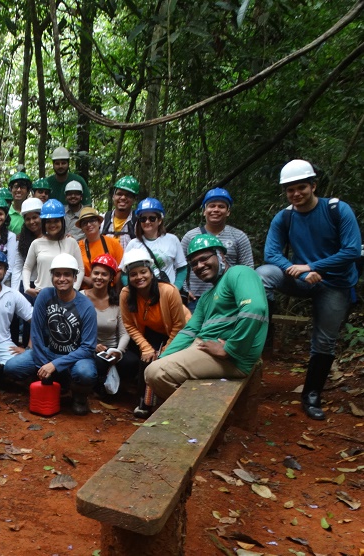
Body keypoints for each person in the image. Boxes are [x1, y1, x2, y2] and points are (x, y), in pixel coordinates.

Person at [257, 159, 361, 420]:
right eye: (290, 190)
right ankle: (264, 338)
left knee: (324, 340)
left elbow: (351, 250)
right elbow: (271, 253)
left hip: (334, 283)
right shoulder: (285, 217)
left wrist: (313, 266)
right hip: (302, 278)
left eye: (301, 187)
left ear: (313, 186)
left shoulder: (337, 209)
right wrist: (297, 269)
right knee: (262, 275)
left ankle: (312, 394)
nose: (295, 194)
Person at [146, 235, 268, 400]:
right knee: (157, 367)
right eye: (194, 264)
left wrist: (231, 349)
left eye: (204, 259)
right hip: (205, 349)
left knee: (156, 373)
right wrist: (164, 356)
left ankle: (201, 416)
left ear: (220, 255)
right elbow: (190, 331)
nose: (199, 266)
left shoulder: (239, 273)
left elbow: (254, 309)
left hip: (232, 358)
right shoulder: (206, 296)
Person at [4, 254, 98, 415]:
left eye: (67, 274)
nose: (62, 279)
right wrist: (43, 365)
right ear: (52, 276)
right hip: (49, 351)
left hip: (75, 357)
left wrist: (55, 365)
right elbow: (36, 331)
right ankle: (43, 383)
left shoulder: (86, 307)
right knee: (11, 367)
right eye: (57, 274)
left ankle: (79, 397)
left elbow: (88, 347)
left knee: (85, 372)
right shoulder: (45, 296)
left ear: (75, 278)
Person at [119, 249, 188, 418]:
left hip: (180, 332)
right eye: (133, 274)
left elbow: (179, 325)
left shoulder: (168, 291)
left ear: (151, 272)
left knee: (164, 361)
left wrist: (167, 350)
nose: (139, 277)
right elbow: (129, 324)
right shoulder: (126, 294)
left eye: (143, 272)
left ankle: (173, 402)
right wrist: (145, 347)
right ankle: (145, 400)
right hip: (153, 331)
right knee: (147, 358)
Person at [181, 188, 254, 310]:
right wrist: (184, 290)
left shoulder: (238, 236)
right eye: (211, 206)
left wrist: (242, 292)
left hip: (227, 296)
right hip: (196, 298)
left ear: (228, 211)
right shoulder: (191, 236)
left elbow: (247, 268)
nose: (216, 210)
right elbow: (180, 265)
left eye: (221, 206)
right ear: (204, 211)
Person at [84, 254, 139, 395]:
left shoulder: (118, 300)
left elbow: (124, 332)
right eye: (96, 273)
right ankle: (98, 387)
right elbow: (76, 328)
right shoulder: (81, 297)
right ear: (91, 274)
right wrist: (92, 345)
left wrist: (118, 351)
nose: (99, 277)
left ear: (111, 278)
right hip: (91, 347)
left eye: (104, 274)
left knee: (131, 361)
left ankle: (121, 386)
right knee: (99, 363)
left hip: (113, 348)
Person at [22, 199, 84, 297]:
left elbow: (80, 269)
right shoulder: (36, 243)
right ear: (44, 223)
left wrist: (74, 289)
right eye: (48, 221)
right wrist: (27, 287)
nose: (52, 225)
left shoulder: (71, 242)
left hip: (66, 296)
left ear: (62, 222)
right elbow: (27, 268)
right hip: (42, 294)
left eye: (56, 221)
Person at [125, 197, 188, 289]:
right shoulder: (133, 244)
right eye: (143, 219)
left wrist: (175, 289)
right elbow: (124, 273)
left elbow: (182, 268)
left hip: (167, 293)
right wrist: (132, 289)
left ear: (159, 220)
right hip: (142, 294)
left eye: (152, 218)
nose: (147, 222)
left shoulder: (172, 240)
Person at [11, 198, 44, 346]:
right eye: (28, 219)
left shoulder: (54, 237)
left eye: (35, 217)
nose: (32, 222)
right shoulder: (22, 239)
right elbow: (18, 266)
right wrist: (15, 292)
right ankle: (26, 348)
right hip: (28, 286)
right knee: (27, 322)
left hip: (45, 284)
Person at [76, 207, 124, 288]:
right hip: (87, 292)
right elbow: (73, 271)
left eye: (92, 220)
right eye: (84, 223)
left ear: (99, 223)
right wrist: (85, 279)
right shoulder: (78, 247)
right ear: (81, 228)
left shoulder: (113, 243)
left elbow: (120, 269)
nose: (89, 224)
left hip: (110, 290)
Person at [100, 175, 139, 250]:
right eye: (119, 194)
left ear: (134, 199)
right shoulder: (102, 220)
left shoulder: (138, 222)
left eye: (128, 195)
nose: (123, 198)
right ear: (113, 196)